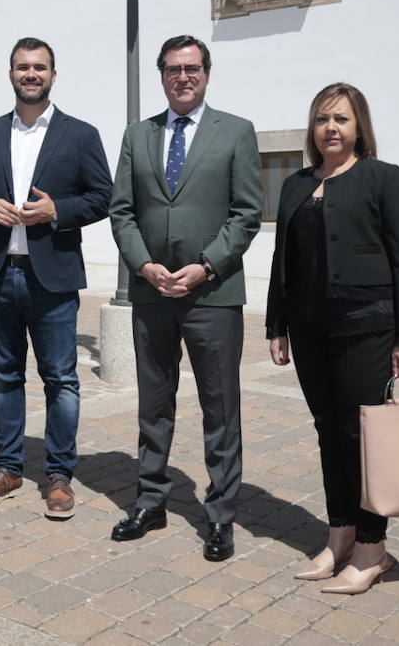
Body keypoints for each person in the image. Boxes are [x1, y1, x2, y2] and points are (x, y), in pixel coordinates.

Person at [108, 35, 262, 561]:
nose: (183, 76)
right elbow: (121, 211)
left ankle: (220, 515)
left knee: (220, 407)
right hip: (153, 294)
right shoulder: (138, 135)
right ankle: (150, 501)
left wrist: (204, 266)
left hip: (213, 294)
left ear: (206, 72)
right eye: (173, 69)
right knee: (154, 404)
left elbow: (246, 213)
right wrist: (144, 266)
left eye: (191, 67)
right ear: (161, 75)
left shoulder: (236, 132)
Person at [267, 82, 399, 595]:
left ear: (359, 127)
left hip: (367, 327)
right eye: (321, 120)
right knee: (328, 433)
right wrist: (276, 324)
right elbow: (280, 259)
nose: (330, 128)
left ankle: (372, 549)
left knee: (363, 438)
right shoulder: (294, 185)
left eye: (341, 119)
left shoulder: (383, 178)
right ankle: (340, 536)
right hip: (310, 331)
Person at [0, 37, 112, 519]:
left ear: (53, 75)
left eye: (39, 67)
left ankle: (59, 475)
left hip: (53, 277)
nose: (31, 74)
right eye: (23, 67)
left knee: (61, 378)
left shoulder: (79, 134)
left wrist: (56, 210)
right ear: (11, 74)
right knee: (4, 376)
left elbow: (103, 197)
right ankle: (8, 468)